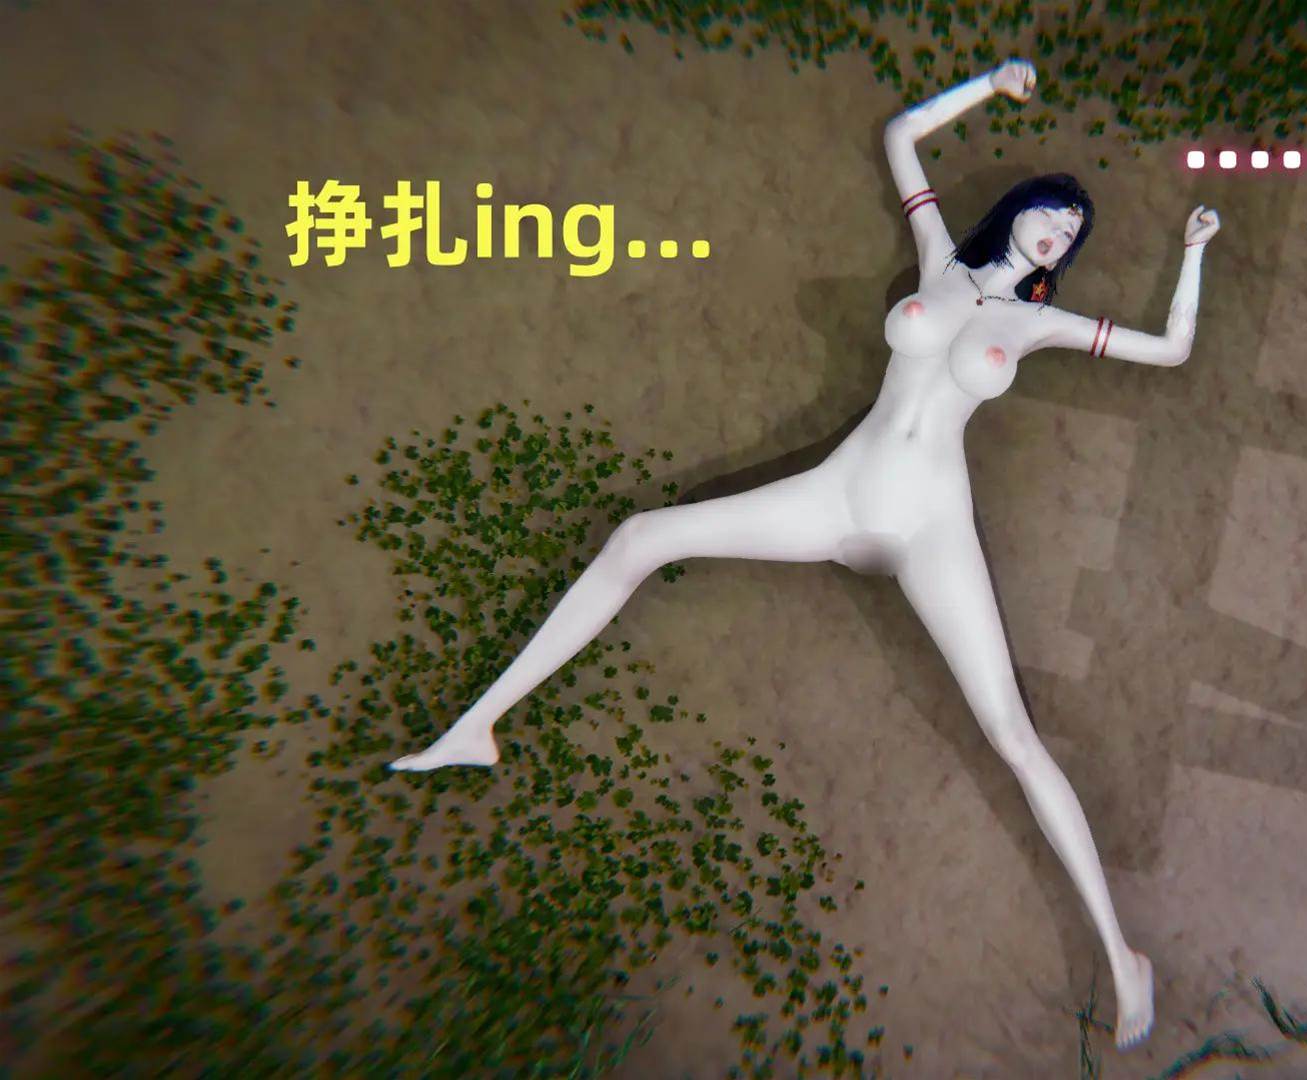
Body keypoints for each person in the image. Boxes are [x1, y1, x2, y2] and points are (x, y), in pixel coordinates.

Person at [391, 56, 1220, 1051]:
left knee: (1012, 733)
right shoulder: (941, 261)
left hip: (930, 530)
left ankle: (1123, 956)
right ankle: (477, 726)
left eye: (1073, 232)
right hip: (835, 499)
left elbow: (1170, 350)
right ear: (1017, 211)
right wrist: (990, 87)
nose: (1060, 230)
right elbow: (901, 137)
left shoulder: (1040, 321)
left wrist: (1195, 253)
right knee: (640, 538)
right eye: (1052, 211)